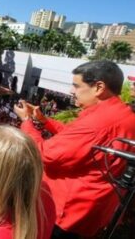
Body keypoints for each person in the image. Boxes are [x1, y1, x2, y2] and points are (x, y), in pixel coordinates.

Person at [14, 60, 135, 238]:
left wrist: (26, 123)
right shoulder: (121, 113)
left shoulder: (99, 122)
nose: (71, 91)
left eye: (76, 86)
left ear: (99, 87)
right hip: (92, 207)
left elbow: (43, 154)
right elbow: (78, 138)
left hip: (67, 212)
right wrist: (44, 121)